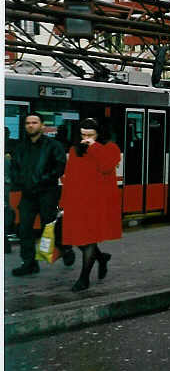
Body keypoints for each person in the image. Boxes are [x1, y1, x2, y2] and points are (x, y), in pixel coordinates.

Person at [60, 118, 122, 292]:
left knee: (88, 240)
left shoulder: (111, 148)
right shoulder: (75, 150)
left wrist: (94, 146)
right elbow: (69, 177)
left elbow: (106, 167)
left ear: (98, 134)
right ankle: (101, 258)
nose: (86, 138)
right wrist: (63, 204)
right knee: (77, 238)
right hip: (78, 202)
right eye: (83, 135)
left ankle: (84, 278)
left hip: (98, 203)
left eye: (90, 135)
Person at [9, 113, 74, 275]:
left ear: (42, 126)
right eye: (28, 123)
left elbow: (59, 166)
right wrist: (20, 181)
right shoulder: (20, 147)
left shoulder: (53, 145)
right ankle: (29, 263)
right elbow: (15, 167)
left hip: (47, 193)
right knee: (24, 229)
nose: (31, 125)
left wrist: (42, 180)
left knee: (49, 226)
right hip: (28, 194)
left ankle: (65, 248)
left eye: (34, 122)